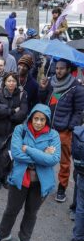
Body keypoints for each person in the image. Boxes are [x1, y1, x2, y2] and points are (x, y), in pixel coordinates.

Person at [0, 104, 60, 241]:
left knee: (31, 212)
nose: (39, 123)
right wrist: (42, 155)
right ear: (31, 118)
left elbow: (53, 159)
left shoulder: (53, 135)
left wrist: (27, 149)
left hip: (40, 183)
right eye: (36, 119)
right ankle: (3, 233)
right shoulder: (20, 130)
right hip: (20, 178)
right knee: (11, 209)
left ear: (47, 120)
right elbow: (16, 153)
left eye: (42, 120)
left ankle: (24, 239)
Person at [39, 59, 84, 202]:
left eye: (62, 68)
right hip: (48, 128)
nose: (58, 71)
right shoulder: (51, 82)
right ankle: (45, 183)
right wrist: (43, 88)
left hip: (64, 131)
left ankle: (61, 189)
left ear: (69, 70)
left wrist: (69, 127)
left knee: (64, 162)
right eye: (57, 68)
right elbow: (43, 101)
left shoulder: (76, 88)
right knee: (45, 157)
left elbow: (79, 112)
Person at [0, 72, 28, 190]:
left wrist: (9, 116)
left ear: (17, 82)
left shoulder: (22, 94)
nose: (11, 83)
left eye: (13, 81)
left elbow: (23, 113)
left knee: (9, 155)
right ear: (5, 82)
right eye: (9, 81)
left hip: (13, 131)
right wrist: (12, 111)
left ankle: (5, 177)